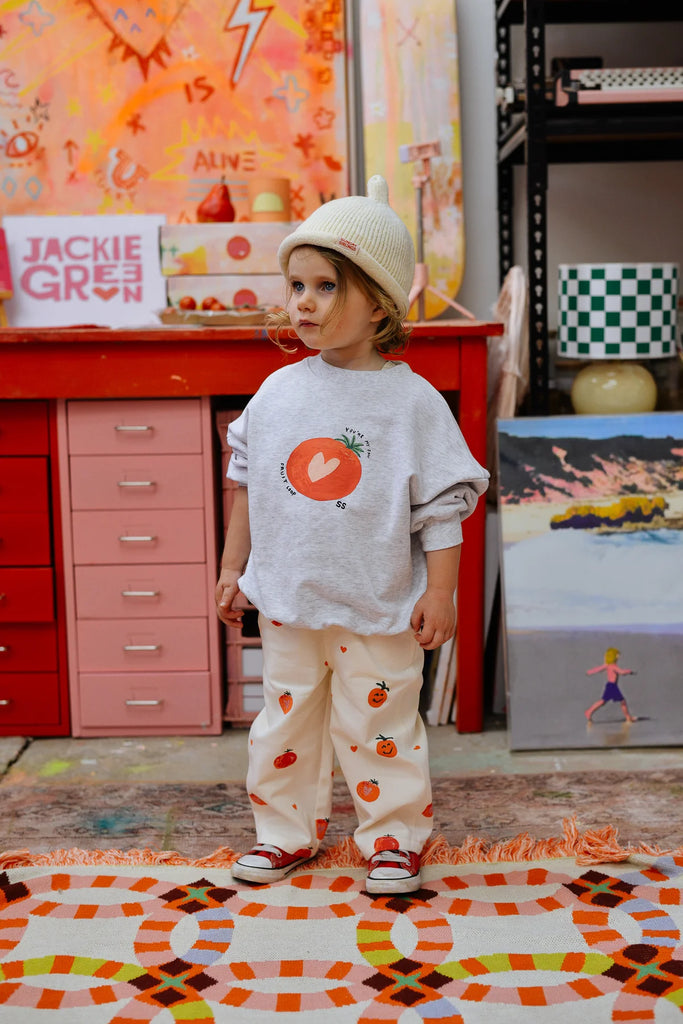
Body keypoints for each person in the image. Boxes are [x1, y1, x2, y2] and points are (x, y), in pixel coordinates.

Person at [215, 176, 489, 894]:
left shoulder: (410, 402)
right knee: (283, 724)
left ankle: (393, 839)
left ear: (378, 303)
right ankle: (284, 835)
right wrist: (230, 566)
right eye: (295, 284)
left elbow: (442, 506)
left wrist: (442, 591)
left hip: (378, 603)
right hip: (287, 599)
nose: (301, 302)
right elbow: (245, 479)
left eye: (325, 287)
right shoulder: (277, 392)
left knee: (381, 726)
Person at [584, 647, 637, 723]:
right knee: (622, 701)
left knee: (603, 701)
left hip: (610, 685)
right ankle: (628, 718)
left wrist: (589, 672)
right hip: (612, 686)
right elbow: (621, 672)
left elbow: (597, 669)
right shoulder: (613, 666)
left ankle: (589, 711)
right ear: (614, 656)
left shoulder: (607, 665)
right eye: (617, 655)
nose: (618, 656)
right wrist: (629, 671)